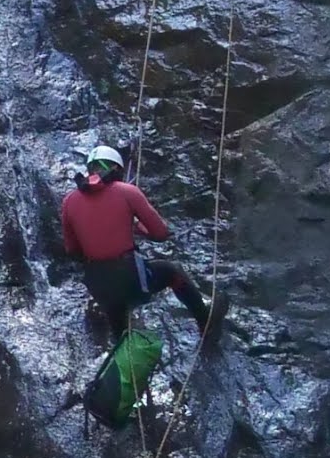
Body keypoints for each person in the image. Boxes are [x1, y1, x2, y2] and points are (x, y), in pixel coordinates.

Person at [57, 142, 220, 344]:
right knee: (172, 272)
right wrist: (135, 227)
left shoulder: (69, 201)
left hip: (97, 282)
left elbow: (72, 250)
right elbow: (161, 233)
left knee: (118, 324)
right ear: (116, 169)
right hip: (128, 276)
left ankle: (122, 358)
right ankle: (207, 323)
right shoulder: (128, 191)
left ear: (89, 169)